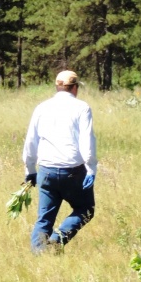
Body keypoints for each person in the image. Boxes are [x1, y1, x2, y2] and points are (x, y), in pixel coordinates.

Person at [22, 69, 97, 252]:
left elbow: (31, 140)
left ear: (57, 87)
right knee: (85, 209)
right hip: (73, 171)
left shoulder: (42, 107)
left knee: (44, 218)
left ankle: (38, 258)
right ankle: (56, 241)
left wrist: (30, 170)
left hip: (46, 170)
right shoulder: (82, 108)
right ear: (75, 88)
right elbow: (87, 141)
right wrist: (91, 168)